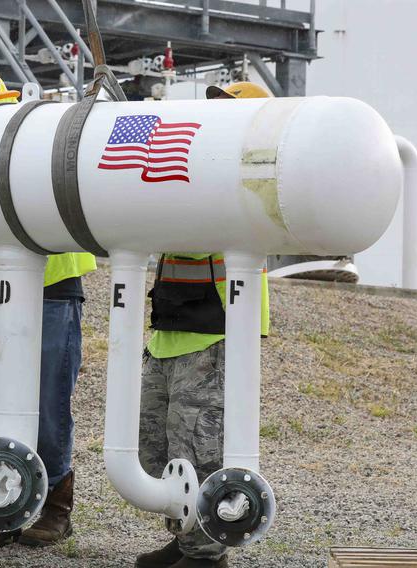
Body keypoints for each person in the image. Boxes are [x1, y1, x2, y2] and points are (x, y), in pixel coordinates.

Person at [0, 67, 97, 552]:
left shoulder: (29, 146)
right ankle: (0, 505)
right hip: (1, 291)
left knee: (48, 406)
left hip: (53, 289)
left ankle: (54, 508)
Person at [134, 82, 272, 568]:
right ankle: (186, 530)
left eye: (228, 110)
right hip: (172, 324)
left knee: (198, 445)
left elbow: (191, 235)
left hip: (217, 327)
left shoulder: (249, 175)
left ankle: (207, 550)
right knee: (155, 448)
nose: (217, 118)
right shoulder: (200, 167)